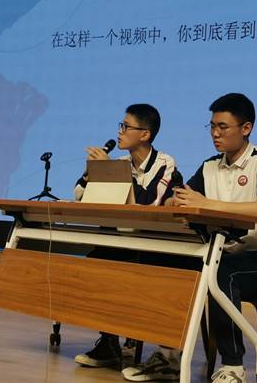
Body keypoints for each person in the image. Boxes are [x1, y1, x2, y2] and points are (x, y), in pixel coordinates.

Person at [121, 93, 257, 383]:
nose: (215, 133)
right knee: (165, 263)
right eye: (212, 126)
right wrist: (175, 200)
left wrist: (206, 203)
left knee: (221, 274)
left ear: (246, 128)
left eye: (223, 127)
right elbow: (183, 198)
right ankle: (168, 357)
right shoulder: (210, 166)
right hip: (219, 251)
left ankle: (233, 366)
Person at [74, 103, 179, 369]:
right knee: (96, 263)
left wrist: (113, 173)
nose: (119, 132)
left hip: (153, 246)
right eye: (120, 126)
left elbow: (149, 204)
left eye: (126, 126)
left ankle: (142, 343)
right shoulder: (119, 164)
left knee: (122, 266)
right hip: (119, 242)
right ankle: (109, 343)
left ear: (145, 134)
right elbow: (80, 195)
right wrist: (93, 171)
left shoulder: (165, 163)